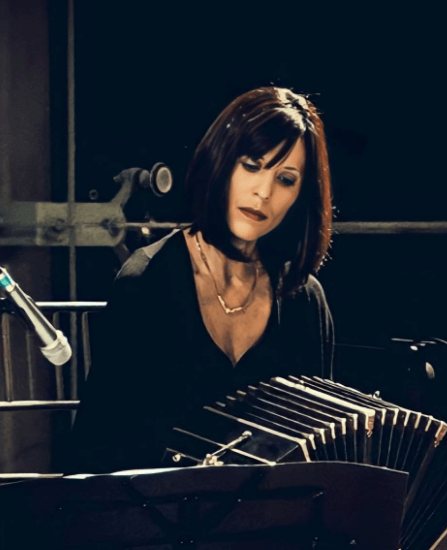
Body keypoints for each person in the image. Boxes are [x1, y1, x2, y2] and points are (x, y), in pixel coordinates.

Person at [68, 87, 335, 473]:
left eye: (286, 179)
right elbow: (98, 449)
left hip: (271, 527)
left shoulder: (304, 300)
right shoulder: (146, 281)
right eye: (252, 165)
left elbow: (319, 456)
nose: (263, 192)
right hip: (156, 520)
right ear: (222, 162)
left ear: (300, 195)